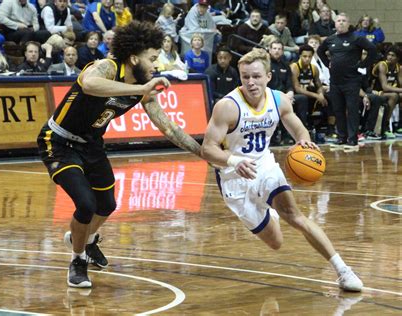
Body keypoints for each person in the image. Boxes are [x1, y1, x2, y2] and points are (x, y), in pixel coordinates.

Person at [37, 21, 202, 288]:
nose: (155, 66)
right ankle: (78, 260)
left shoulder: (143, 86)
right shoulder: (106, 67)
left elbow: (169, 127)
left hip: (91, 145)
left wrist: (202, 151)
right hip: (58, 141)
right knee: (86, 205)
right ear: (134, 57)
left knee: (108, 205)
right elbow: (90, 84)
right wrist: (140, 90)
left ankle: (85, 240)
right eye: (152, 59)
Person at [200, 48, 363, 293]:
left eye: (256, 76)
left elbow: (299, 130)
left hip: (264, 165)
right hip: (234, 176)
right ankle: (268, 208)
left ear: (268, 76)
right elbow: (208, 150)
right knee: (275, 242)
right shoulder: (227, 106)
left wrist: (304, 143)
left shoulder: (278, 100)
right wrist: (234, 161)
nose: (250, 82)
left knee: (294, 215)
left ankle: (342, 270)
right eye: (245, 77)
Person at [318, 13, 377, 150]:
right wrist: (328, 64)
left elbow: (372, 50)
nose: (341, 23)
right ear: (335, 23)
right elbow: (321, 51)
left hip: (351, 81)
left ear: (348, 23)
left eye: (344, 20)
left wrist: (363, 64)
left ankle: (352, 139)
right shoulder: (330, 39)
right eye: (338, 20)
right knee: (338, 110)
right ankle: (341, 137)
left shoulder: (356, 38)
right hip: (335, 82)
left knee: (352, 110)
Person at [290, 44, 328, 136]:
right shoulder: (294, 67)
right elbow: (297, 89)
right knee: (303, 99)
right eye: (304, 56)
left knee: (327, 98)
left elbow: (319, 85)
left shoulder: (314, 68)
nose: (307, 59)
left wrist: (321, 95)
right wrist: (316, 95)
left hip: (308, 94)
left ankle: (324, 129)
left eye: (309, 57)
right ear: (300, 56)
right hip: (295, 95)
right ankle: (302, 129)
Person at [371, 46, 402, 138]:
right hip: (376, 91)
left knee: (398, 95)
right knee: (394, 96)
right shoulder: (382, 65)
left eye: (393, 55)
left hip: (390, 91)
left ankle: (398, 124)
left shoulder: (398, 67)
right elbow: (384, 87)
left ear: (398, 58)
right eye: (388, 55)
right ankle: (385, 125)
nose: (390, 57)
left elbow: (401, 83)